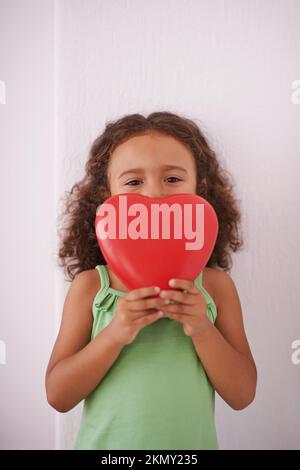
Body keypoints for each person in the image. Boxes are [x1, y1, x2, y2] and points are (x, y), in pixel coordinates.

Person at [45, 111, 257, 450]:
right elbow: (58, 395)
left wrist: (202, 327)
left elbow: (243, 393)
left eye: (172, 179)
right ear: (107, 196)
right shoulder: (91, 288)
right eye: (133, 182)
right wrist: (116, 333)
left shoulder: (215, 288)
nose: (154, 195)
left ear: (198, 190)